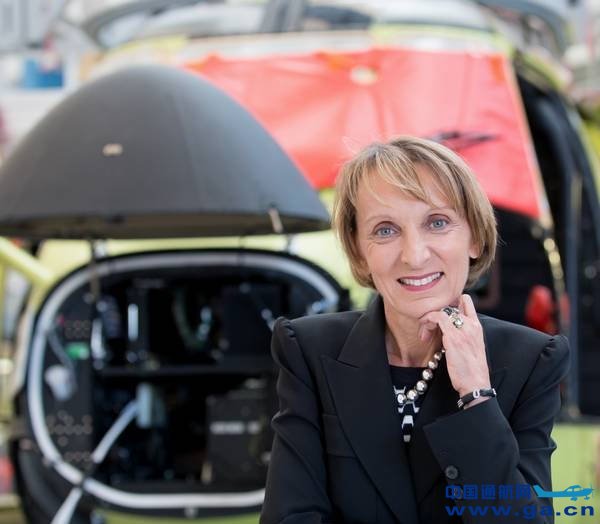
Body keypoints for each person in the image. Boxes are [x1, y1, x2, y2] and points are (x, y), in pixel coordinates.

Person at [260, 136, 570, 524]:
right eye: (385, 230)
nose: (414, 255)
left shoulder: (531, 361)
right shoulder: (308, 350)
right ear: (359, 250)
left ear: (474, 237)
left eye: (437, 223)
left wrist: (476, 394)